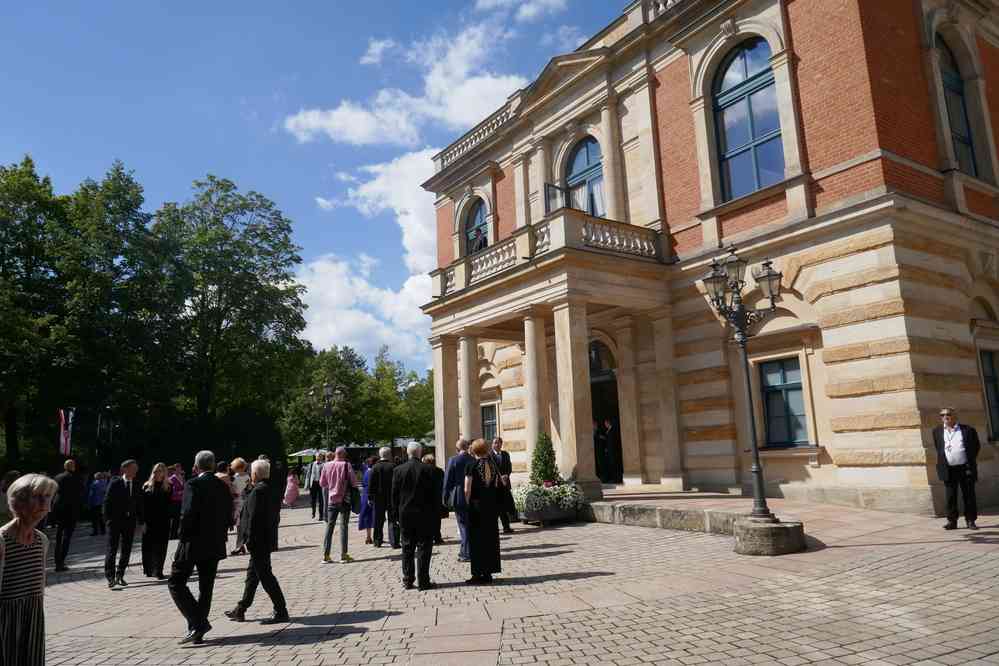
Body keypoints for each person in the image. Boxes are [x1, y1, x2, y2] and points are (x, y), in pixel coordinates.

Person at [168, 450, 233, 645]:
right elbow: (229, 514)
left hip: (192, 542)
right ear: (212, 466)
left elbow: (187, 513)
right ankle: (198, 627)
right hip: (214, 542)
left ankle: (198, 624)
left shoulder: (193, 483)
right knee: (206, 587)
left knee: (176, 582)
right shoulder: (222, 485)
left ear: (196, 467)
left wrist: (181, 536)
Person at [0, 473, 58, 666]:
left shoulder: (41, 540)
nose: (43, 502)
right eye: (36, 496)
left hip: (32, 620)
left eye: (48, 497)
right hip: (5, 621)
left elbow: (39, 586)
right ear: (19, 501)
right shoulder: (2, 541)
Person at [224, 459, 289, 624]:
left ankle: (281, 610)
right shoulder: (269, 489)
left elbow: (252, 518)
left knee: (266, 576)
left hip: (258, 540)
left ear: (255, 474)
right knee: (252, 576)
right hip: (265, 539)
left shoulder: (259, 492)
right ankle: (241, 608)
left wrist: (248, 539)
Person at [392, 443, 439, 590]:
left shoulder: (398, 470)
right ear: (420, 453)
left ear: (407, 453)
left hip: (405, 514)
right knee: (424, 547)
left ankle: (408, 579)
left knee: (407, 547)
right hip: (425, 514)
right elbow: (435, 495)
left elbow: (394, 496)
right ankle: (423, 580)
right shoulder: (429, 470)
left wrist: (394, 515)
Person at [933, 407, 981, 530]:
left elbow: (976, 446)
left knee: (969, 495)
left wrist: (968, 459)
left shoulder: (967, 430)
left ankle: (970, 520)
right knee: (950, 496)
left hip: (965, 468)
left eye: (948, 414)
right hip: (948, 469)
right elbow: (939, 448)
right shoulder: (937, 431)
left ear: (955, 416)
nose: (945, 417)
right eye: (942, 415)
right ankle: (952, 521)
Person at [465, 438, 502, 584]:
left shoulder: (471, 465)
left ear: (474, 450)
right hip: (491, 506)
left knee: (477, 540)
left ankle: (477, 573)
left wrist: (466, 504)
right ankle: (488, 573)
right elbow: (498, 485)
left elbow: (467, 488)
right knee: (490, 539)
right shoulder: (494, 464)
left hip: (476, 506)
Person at [103, 459, 144, 588]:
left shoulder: (137, 484)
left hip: (129, 522)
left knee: (126, 549)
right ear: (125, 469)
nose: (135, 471)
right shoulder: (115, 482)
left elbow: (139, 504)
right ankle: (110, 577)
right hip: (114, 521)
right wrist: (107, 520)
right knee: (112, 549)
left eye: (136, 469)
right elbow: (107, 502)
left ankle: (120, 575)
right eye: (133, 469)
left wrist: (141, 522)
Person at [319, 446, 357, 563]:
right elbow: (354, 482)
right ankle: (343, 555)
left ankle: (326, 555)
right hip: (344, 500)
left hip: (332, 500)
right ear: (343, 454)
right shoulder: (347, 465)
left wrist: (333, 486)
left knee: (329, 527)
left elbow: (322, 483)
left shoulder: (326, 465)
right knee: (343, 526)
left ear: (335, 454)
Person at [52, 459, 84, 572]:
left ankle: (57, 562)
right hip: (71, 509)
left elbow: (53, 492)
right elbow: (81, 493)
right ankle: (61, 562)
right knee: (67, 537)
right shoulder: (77, 478)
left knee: (59, 536)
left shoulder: (57, 477)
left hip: (59, 508)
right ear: (73, 466)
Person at [443, 438, 473, 562]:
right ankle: (464, 550)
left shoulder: (453, 460)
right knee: (468, 525)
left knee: (463, 525)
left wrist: (444, 497)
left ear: (457, 449)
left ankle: (466, 553)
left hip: (458, 496)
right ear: (467, 447)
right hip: (472, 496)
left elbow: (447, 480)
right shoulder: (473, 459)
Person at [141, 463, 172, 579]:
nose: (158, 473)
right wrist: (142, 522)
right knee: (149, 546)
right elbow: (142, 506)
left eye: (161, 471)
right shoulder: (146, 486)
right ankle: (149, 569)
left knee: (161, 546)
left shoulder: (168, 486)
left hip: (163, 520)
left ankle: (158, 570)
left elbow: (170, 505)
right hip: (149, 521)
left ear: (164, 472)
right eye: (156, 470)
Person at [368, 447, 399, 548]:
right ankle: (394, 541)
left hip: (378, 497)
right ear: (389, 455)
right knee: (393, 519)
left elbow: (371, 484)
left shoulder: (375, 467)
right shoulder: (394, 467)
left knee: (378, 520)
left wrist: (370, 497)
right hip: (392, 497)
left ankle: (377, 541)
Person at [491, 438, 515, 534]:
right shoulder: (489, 455)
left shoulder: (505, 454)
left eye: (498, 443)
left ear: (501, 444)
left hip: (504, 485)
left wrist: (506, 475)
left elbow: (509, 467)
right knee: (495, 508)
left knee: (504, 507)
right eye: (494, 443)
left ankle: (506, 527)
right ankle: (493, 528)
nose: (496, 444)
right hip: (495, 485)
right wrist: (498, 477)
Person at [422, 454, 446, 545]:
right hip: (437, 497)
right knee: (437, 519)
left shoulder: (423, 470)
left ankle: (428, 537)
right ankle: (437, 537)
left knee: (426, 519)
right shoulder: (439, 471)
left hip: (425, 498)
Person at [230, 458, 250, 555]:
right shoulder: (247, 476)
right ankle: (240, 545)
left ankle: (239, 545)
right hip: (244, 500)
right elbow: (249, 488)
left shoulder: (235, 477)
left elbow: (233, 490)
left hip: (237, 501)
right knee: (241, 524)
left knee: (239, 525)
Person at [358, 456, 376, 544]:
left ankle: (368, 536)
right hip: (371, 496)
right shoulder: (372, 472)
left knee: (368, 517)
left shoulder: (366, 471)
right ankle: (372, 537)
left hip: (365, 495)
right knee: (374, 516)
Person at [305, 452, 326, 521]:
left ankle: (321, 515)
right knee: (313, 500)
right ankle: (313, 513)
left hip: (321, 484)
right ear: (316, 457)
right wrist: (306, 485)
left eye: (320, 456)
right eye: (318, 456)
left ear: (322, 457)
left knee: (321, 500)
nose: (319, 457)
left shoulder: (324, 464)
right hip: (313, 483)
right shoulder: (311, 464)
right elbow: (308, 475)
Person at [87, 472, 108, 536]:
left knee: (94, 518)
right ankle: (103, 531)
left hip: (95, 503)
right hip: (103, 503)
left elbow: (91, 494)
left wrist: (89, 503)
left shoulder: (94, 483)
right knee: (101, 517)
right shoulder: (105, 483)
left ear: (96, 477)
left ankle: (95, 531)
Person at [167, 464, 185, 539]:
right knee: (175, 519)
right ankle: (172, 535)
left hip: (181, 501)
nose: (179, 470)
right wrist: (181, 492)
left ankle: (177, 534)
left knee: (179, 519)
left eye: (180, 468)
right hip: (174, 501)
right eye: (177, 469)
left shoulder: (182, 477)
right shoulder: (172, 479)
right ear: (174, 470)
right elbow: (172, 492)